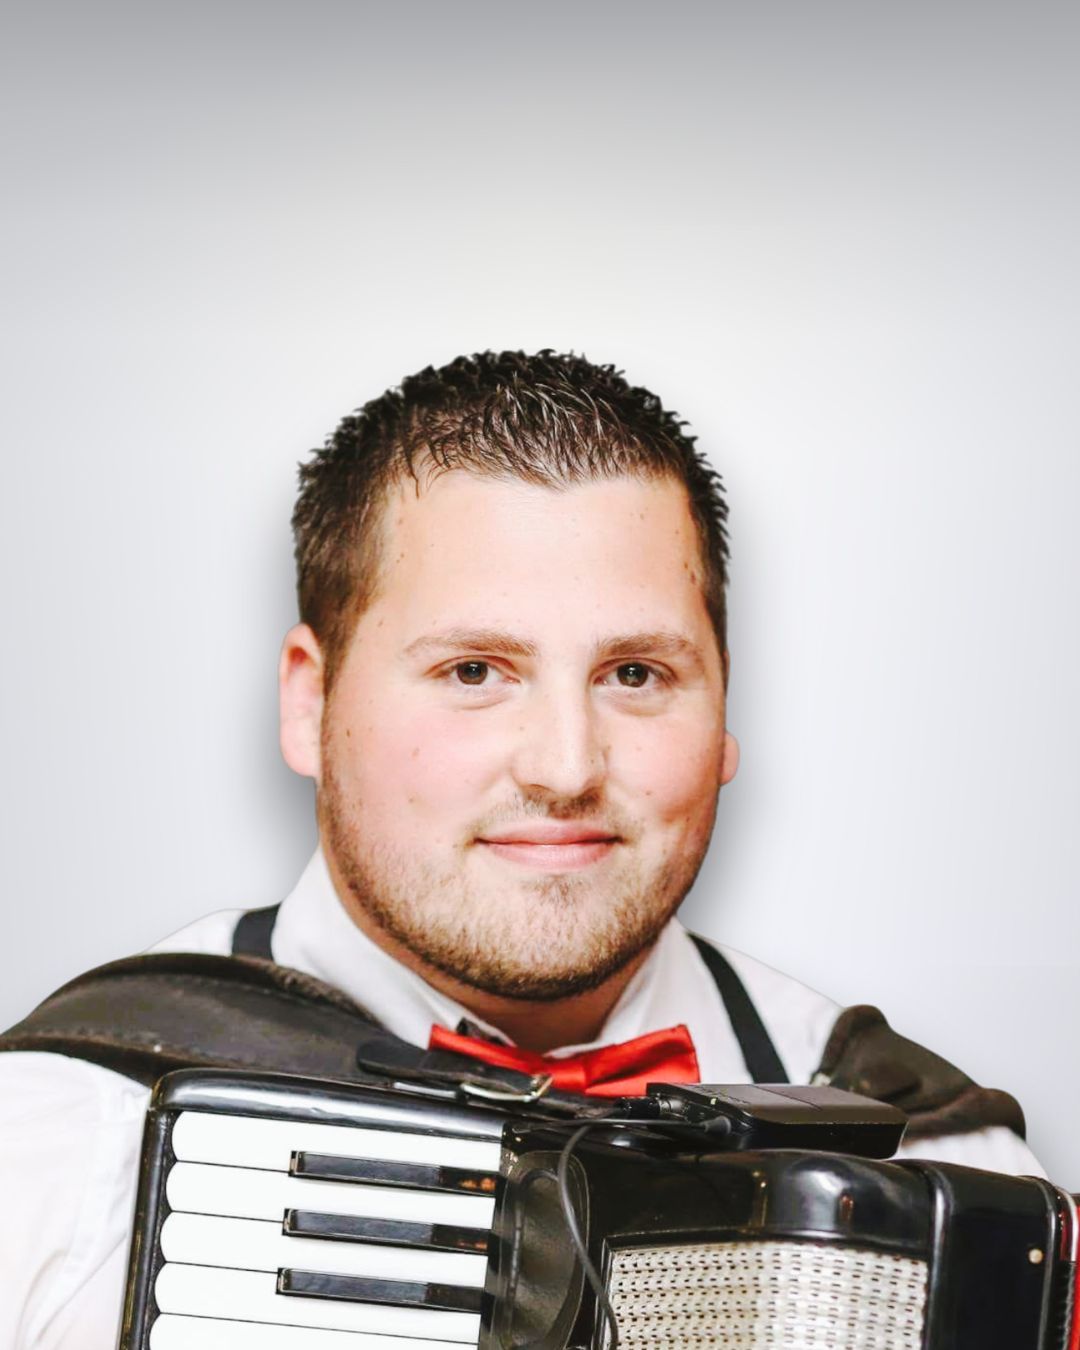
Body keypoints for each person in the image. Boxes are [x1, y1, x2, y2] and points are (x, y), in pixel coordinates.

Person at [0, 351, 1041, 1348]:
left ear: (725, 713)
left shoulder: (950, 1172)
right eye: (473, 672)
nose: (565, 767)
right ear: (311, 704)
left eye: (635, 674)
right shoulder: (50, 1157)